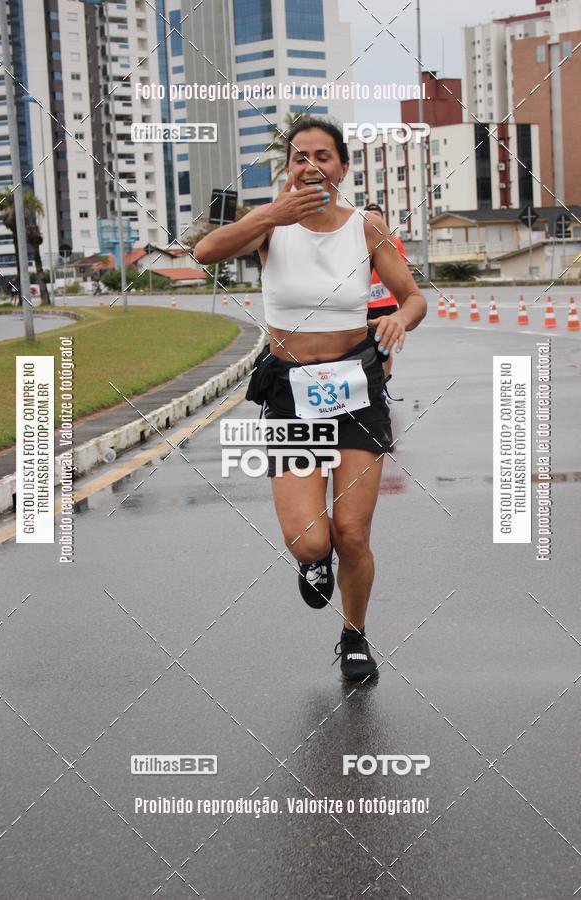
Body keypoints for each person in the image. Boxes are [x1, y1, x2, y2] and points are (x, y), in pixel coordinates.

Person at [194, 117, 427, 682]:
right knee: (309, 541)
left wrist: (398, 319)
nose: (310, 165)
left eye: (323, 155)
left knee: (353, 532)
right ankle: (312, 564)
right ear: (288, 169)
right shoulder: (270, 226)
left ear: (342, 167)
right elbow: (205, 252)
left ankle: (354, 635)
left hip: (354, 388)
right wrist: (270, 214)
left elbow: (413, 296)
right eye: (299, 157)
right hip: (292, 392)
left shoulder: (365, 228)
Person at [364, 202, 409, 383]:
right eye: (369, 215)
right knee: (364, 346)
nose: (374, 218)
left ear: (383, 218)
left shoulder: (394, 241)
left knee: (383, 347)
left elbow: (402, 272)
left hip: (386, 303)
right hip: (363, 304)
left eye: (377, 215)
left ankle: (383, 381)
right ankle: (368, 383)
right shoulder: (358, 240)